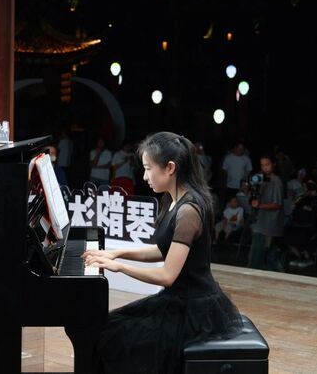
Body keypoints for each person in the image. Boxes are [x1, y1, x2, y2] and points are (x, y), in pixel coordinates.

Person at [82, 132, 242, 374]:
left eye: (148, 169)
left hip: (193, 309)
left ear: (170, 168)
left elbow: (167, 275)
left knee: (115, 338)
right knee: (107, 328)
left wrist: (120, 267)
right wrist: (116, 253)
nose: (144, 176)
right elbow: (161, 250)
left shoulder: (188, 211)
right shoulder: (174, 200)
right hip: (177, 300)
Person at [248, 153, 285, 271]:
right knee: (270, 256)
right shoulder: (263, 180)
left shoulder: (277, 181)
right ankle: (281, 276)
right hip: (263, 222)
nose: (265, 167)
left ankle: (252, 276)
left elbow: (277, 204)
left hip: (269, 225)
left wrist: (260, 205)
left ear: (273, 164)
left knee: (257, 256)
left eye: (267, 164)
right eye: (262, 165)